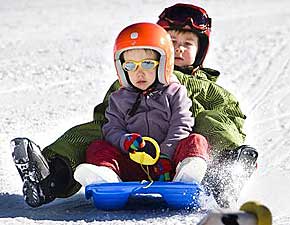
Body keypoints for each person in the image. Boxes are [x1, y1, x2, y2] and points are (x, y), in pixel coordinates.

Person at [10, 3, 257, 208]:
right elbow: (105, 115)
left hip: (180, 154)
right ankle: (53, 176)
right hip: (131, 151)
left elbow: (230, 115)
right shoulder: (131, 81)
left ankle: (224, 175)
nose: (179, 48)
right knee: (93, 133)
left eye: (188, 43)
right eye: (171, 40)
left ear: (201, 50)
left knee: (209, 123)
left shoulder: (207, 87)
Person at [74, 22, 209, 187]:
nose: (139, 72)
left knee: (196, 140)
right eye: (130, 65)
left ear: (163, 64)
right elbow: (112, 129)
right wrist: (125, 141)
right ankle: (107, 175)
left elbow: (181, 125)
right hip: (133, 162)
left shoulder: (175, 92)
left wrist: (165, 156)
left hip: (168, 165)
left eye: (147, 64)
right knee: (97, 146)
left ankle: (187, 175)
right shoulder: (119, 98)